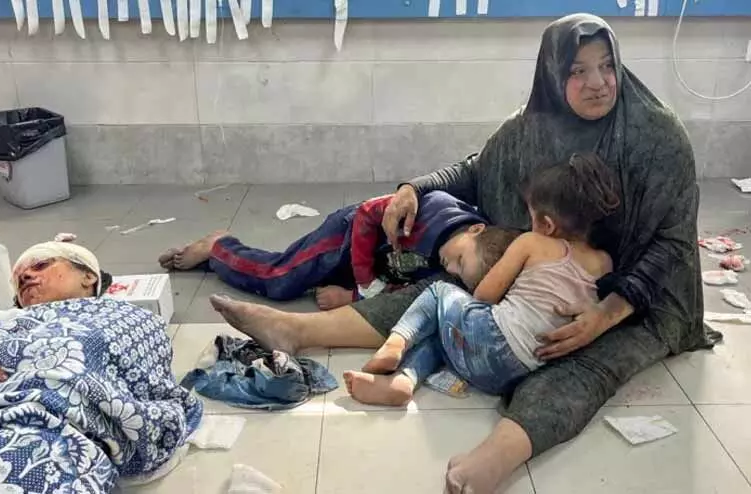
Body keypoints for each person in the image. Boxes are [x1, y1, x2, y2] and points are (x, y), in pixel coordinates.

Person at [206, 13, 720, 493]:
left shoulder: (656, 135)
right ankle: (297, 331)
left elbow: (672, 243)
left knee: (577, 361)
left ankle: (499, 454)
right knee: (442, 293)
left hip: (640, 299)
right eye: (578, 70)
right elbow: (476, 169)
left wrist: (604, 315)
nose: (599, 82)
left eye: (607, 66)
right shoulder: (532, 126)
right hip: (548, 275)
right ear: (552, 75)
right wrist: (415, 188)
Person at [344, 152, 618, 407]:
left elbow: (484, 296)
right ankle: (403, 382)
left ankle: (395, 344)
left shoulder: (531, 242)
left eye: (532, 216)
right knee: (443, 335)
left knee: (439, 292)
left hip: (494, 340)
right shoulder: (605, 262)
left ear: (547, 225)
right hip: (515, 373)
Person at [0, 241, 201, 492]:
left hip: (43, 428)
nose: (25, 276)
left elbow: (147, 389)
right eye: (18, 279)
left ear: (88, 277)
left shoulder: (129, 317)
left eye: (41, 265)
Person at [158, 191, 510, 310]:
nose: (451, 268)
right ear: (476, 229)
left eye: (459, 272)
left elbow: (408, 289)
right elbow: (369, 213)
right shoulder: (433, 210)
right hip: (346, 237)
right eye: (460, 260)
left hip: (372, 266)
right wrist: (363, 283)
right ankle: (219, 246)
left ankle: (218, 258)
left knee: (290, 274)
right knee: (280, 278)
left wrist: (352, 296)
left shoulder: (455, 262)